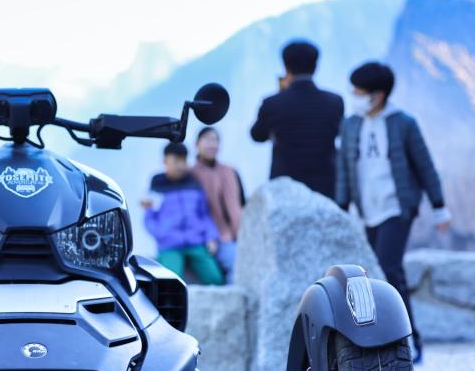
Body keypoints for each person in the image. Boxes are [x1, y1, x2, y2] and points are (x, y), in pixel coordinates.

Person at [336, 61, 450, 363]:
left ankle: (408, 339)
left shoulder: (403, 123)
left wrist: (439, 207)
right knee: (378, 274)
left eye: (359, 91)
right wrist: (341, 207)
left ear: (378, 94)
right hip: (367, 210)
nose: (355, 96)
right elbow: (345, 169)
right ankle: (389, 341)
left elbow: (424, 165)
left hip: (397, 208)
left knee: (389, 267)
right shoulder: (351, 125)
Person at [250, 40, 344, 199]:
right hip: (325, 188)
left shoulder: (272, 103)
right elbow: (338, 132)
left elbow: (257, 135)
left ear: (286, 68)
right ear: (315, 67)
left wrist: (280, 94)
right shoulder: (334, 102)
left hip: (285, 188)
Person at [140, 142, 223, 285]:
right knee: (170, 282)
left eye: (183, 161)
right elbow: (149, 218)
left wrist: (211, 237)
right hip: (170, 245)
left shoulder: (194, 183)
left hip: (196, 243)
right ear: (165, 161)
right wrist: (162, 234)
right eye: (176, 161)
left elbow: (204, 214)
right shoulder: (157, 184)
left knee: (215, 278)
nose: (180, 165)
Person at [191, 126, 245, 283]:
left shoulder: (231, 171)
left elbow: (242, 202)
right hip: (206, 238)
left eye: (215, 140)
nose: (212, 144)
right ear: (197, 144)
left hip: (233, 234)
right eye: (207, 139)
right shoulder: (190, 174)